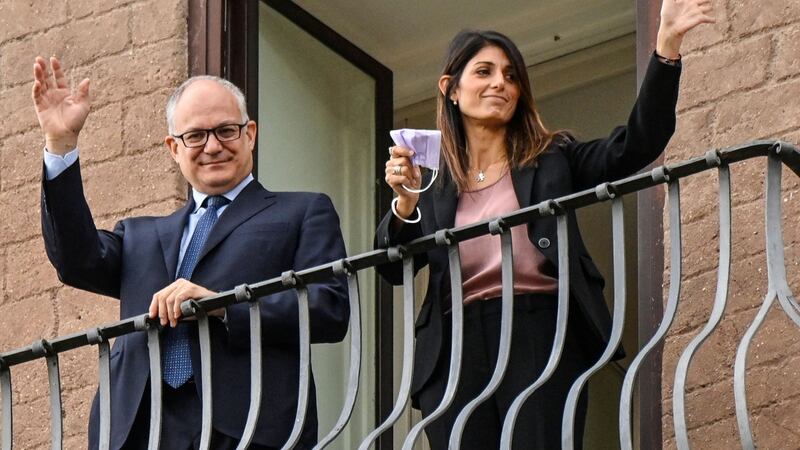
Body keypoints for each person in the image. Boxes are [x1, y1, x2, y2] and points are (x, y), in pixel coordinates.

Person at [375, 1, 713, 448]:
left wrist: (666, 47)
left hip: (538, 329)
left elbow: (636, 144)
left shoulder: (552, 158)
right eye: (484, 72)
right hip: (454, 348)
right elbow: (389, 266)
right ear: (450, 88)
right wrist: (404, 203)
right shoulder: (436, 189)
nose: (500, 83)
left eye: (511, 76)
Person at [33, 57, 349, 449]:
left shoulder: (301, 211)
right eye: (196, 136)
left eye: (226, 131)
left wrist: (222, 304)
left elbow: (330, 309)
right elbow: (75, 260)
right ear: (173, 147)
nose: (213, 146)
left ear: (250, 134)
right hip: (138, 427)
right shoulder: (140, 235)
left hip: (245, 426)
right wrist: (61, 146)